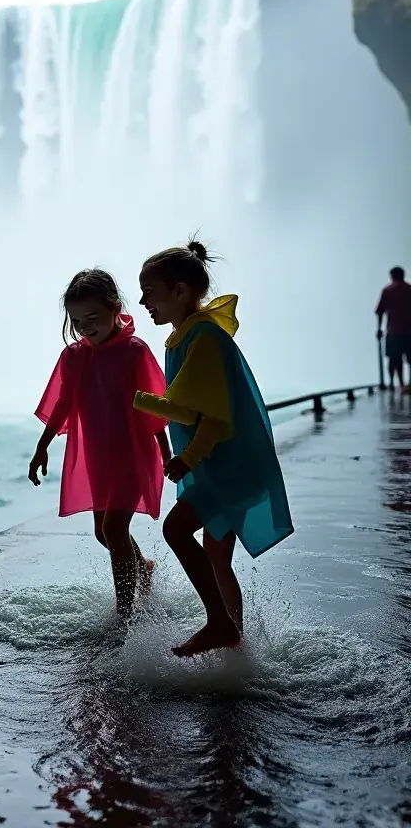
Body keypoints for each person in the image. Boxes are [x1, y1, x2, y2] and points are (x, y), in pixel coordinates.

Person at [134, 241, 292, 658]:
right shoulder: (189, 335)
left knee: (175, 529)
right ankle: (233, 643)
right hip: (226, 465)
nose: (143, 300)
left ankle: (220, 624)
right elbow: (189, 407)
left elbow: (215, 417)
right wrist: (141, 402)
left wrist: (186, 456)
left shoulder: (202, 337)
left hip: (228, 465)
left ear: (180, 291)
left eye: (150, 291)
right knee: (216, 557)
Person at [29, 269, 171, 621]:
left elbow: (153, 404)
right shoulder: (74, 356)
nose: (85, 327)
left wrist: (166, 452)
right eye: (77, 321)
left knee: (113, 528)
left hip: (132, 453)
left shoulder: (134, 352)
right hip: (96, 456)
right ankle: (143, 566)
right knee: (102, 531)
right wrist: (42, 446)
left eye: (93, 318)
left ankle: (125, 613)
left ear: (115, 309)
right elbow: (63, 404)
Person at [376, 266, 411, 395]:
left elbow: (380, 311)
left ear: (392, 276)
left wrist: (379, 329)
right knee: (410, 358)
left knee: (394, 358)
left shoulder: (387, 290)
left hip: (394, 331)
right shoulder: (409, 289)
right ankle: (408, 384)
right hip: (409, 331)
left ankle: (396, 383)